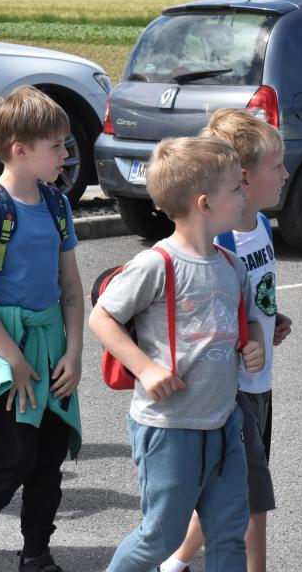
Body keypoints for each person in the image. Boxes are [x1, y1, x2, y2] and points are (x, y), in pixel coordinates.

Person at [89, 136, 266, 572]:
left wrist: (255, 343)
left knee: (229, 534)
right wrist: (146, 369)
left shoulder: (232, 264)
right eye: (236, 187)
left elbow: (247, 319)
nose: (244, 194)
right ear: (205, 204)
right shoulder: (157, 264)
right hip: (168, 427)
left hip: (223, 423)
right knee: (160, 537)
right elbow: (102, 318)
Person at [0, 86, 84, 572]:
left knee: (48, 457)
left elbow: (71, 287)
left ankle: (36, 554)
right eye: (56, 146)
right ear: (20, 150)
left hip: (50, 346)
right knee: (15, 454)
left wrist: (75, 352)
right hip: (4, 350)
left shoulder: (57, 204)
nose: (66, 155)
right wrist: (15, 360)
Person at [164, 110, 292, 572]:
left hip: (259, 384)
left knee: (235, 486)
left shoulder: (261, 227)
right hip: (231, 390)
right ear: (244, 178)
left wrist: (271, 320)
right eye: (276, 166)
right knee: (252, 500)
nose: (286, 174)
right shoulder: (221, 242)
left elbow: (253, 299)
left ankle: (173, 563)